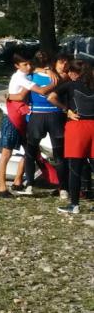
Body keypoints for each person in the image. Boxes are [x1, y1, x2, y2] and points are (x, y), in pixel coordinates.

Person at [47, 59, 94, 213]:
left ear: (74, 73)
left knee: (75, 167)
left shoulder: (70, 85)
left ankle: (74, 205)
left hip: (77, 126)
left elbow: (51, 97)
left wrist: (66, 109)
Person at [21, 50, 67, 197]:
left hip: (37, 116)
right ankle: (63, 188)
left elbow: (23, 97)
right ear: (51, 62)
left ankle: (29, 185)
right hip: (56, 116)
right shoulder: (60, 77)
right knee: (59, 155)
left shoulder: (29, 76)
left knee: (31, 153)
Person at [0, 52, 35, 198]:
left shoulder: (26, 75)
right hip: (12, 117)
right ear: (17, 66)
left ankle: (18, 180)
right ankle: (2, 187)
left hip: (23, 116)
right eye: (25, 64)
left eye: (30, 63)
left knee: (30, 150)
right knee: (7, 152)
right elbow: (20, 96)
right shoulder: (19, 76)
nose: (29, 66)